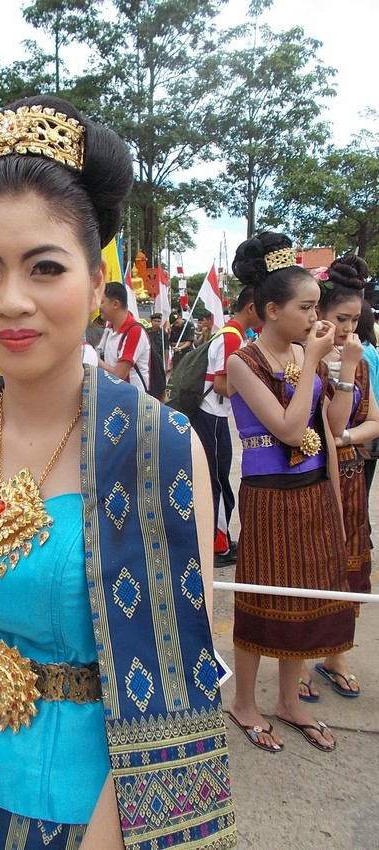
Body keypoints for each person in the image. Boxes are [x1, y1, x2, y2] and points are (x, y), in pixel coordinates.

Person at [0, 95, 235, 850]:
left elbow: (172, 700)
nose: (12, 301)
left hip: (89, 820)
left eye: (45, 268)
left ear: (96, 279)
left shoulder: (157, 448)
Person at [225, 232, 356, 753]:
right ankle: (244, 702)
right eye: (306, 307)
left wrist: (343, 369)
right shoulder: (243, 362)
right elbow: (287, 427)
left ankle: (287, 700)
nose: (314, 317)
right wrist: (312, 362)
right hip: (269, 494)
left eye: (317, 307)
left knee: (302, 597)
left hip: (313, 490)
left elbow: (334, 428)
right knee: (261, 596)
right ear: (272, 310)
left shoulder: (309, 353)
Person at [297, 256, 379, 701]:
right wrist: (344, 372)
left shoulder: (361, 360)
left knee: (349, 567)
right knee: (310, 568)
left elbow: (372, 423)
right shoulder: (304, 360)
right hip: (313, 478)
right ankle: (298, 659)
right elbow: (326, 423)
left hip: (351, 478)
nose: (348, 328)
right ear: (319, 314)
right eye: (340, 318)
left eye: (354, 319)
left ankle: (336, 655)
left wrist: (343, 439)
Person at [189, 287, 259, 567]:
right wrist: (255, 395)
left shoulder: (230, 333)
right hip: (213, 416)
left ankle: (220, 540)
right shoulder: (231, 337)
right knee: (216, 482)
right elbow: (221, 384)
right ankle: (219, 547)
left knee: (216, 479)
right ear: (252, 308)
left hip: (211, 416)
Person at [97, 281, 150, 390]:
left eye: (102, 302)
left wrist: (93, 357)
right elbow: (99, 351)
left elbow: (119, 375)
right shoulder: (109, 329)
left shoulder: (135, 331)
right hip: (114, 394)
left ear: (115, 304)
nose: (98, 306)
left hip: (131, 397)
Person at [356, 300, 379, 501]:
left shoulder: (362, 352)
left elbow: (364, 391)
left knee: (359, 491)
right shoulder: (368, 348)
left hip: (365, 425)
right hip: (368, 425)